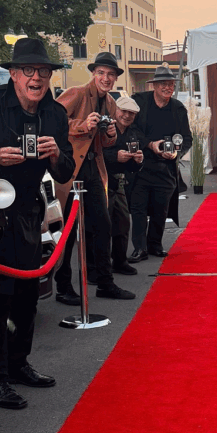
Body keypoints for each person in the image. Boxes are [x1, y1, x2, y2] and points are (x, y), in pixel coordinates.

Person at [0, 38, 75, 409]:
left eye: (43, 72)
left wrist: (56, 154)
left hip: (31, 212)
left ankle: (19, 364)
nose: (37, 78)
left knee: (27, 296)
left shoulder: (55, 114)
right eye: (29, 71)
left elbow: (66, 171)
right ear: (14, 74)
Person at [53, 52, 135, 304]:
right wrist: (82, 124)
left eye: (110, 74)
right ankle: (63, 286)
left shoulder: (110, 102)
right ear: (93, 74)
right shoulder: (76, 93)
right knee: (68, 230)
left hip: (94, 168)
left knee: (103, 225)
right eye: (101, 73)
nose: (106, 78)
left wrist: (110, 133)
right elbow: (53, 123)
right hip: (71, 169)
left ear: (115, 78)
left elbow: (108, 142)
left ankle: (104, 282)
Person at [129, 65, 192, 261]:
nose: (168, 88)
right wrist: (150, 144)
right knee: (138, 209)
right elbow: (131, 129)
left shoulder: (178, 109)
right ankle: (140, 248)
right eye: (163, 84)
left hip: (166, 168)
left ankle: (155, 245)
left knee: (161, 209)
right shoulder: (139, 102)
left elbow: (187, 138)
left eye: (171, 84)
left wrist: (176, 153)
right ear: (154, 86)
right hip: (140, 165)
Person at [102, 95, 145, 274]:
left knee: (123, 223)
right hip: (102, 182)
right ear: (115, 110)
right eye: (124, 111)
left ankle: (119, 261)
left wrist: (138, 161)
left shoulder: (133, 133)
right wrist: (115, 157)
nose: (127, 116)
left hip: (120, 183)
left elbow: (133, 168)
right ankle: (101, 266)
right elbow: (95, 154)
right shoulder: (104, 128)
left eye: (131, 113)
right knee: (102, 226)